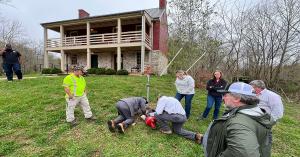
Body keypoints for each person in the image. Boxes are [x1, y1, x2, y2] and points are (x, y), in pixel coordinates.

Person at [201, 82, 275, 157]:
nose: (223, 98)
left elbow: (245, 154)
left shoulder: (238, 124)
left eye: (225, 95)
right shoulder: (256, 114)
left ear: (236, 98)